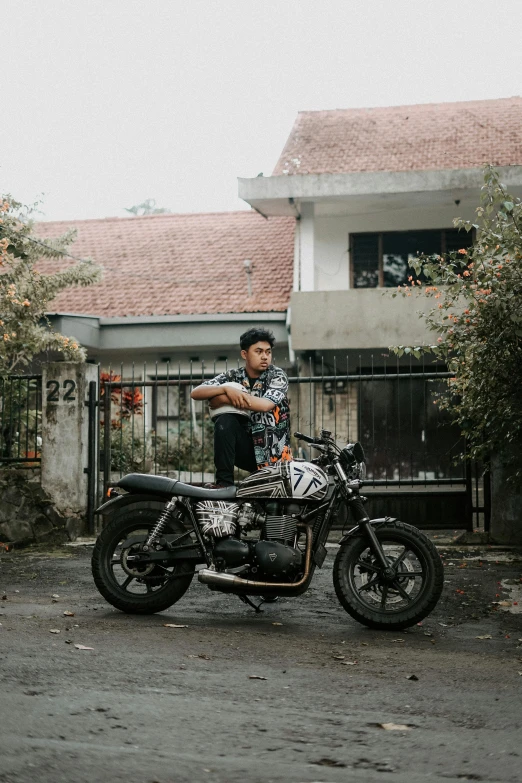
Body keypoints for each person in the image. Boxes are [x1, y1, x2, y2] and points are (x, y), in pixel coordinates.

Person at [190, 327, 292, 486]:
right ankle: (224, 485)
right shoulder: (233, 376)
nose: (265, 356)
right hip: (245, 450)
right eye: (258, 351)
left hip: (273, 455)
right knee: (225, 421)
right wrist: (225, 389)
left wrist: (224, 399)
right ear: (244, 354)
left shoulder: (277, 376)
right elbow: (196, 393)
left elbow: (265, 405)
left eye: (268, 352)